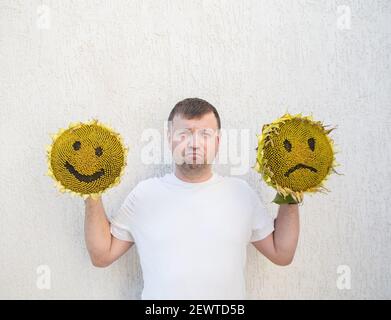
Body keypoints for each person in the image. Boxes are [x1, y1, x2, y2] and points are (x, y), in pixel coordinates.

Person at [84, 98, 299, 299]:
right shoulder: (144, 194)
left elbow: (282, 254)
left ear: (218, 141)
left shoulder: (241, 193)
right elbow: (102, 256)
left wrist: (290, 188)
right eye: (184, 134)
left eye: (205, 134)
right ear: (169, 139)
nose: (194, 143)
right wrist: (90, 190)